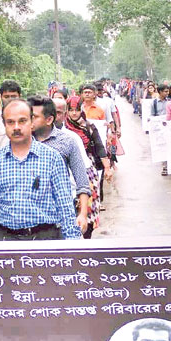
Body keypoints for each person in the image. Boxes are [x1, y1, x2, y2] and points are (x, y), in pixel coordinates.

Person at [0, 98, 82, 240]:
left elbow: (65, 207)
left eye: (22, 121)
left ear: (31, 123)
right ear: (4, 125)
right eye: (10, 122)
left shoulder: (52, 158)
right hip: (5, 239)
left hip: (45, 239)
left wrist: (72, 244)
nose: (16, 127)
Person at [28, 95, 92, 235]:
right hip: (29, 218)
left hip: (62, 214)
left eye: (34, 117)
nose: (28, 121)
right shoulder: (22, 142)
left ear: (49, 119)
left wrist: (82, 215)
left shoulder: (68, 142)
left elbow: (82, 182)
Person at [65, 95, 109, 238]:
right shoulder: (63, 130)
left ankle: (88, 233)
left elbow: (100, 147)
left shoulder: (89, 127)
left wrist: (107, 168)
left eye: (76, 110)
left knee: (88, 203)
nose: (74, 113)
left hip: (88, 169)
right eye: (70, 110)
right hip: (68, 169)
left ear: (81, 109)